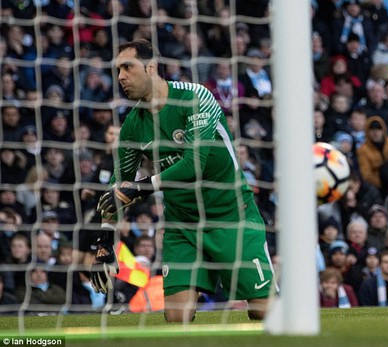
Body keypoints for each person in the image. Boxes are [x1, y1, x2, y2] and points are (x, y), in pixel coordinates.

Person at [90, 40, 274, 322]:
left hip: (231, 215)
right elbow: (119, 183)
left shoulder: (196, 97)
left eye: (127, 67)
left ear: (151, 67)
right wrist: (105, 240)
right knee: (176, 318)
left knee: (264, 313)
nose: (120, 77)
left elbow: (193, 165)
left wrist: (141, 188)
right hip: (183, 223)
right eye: (117, 70)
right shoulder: (133, 125)